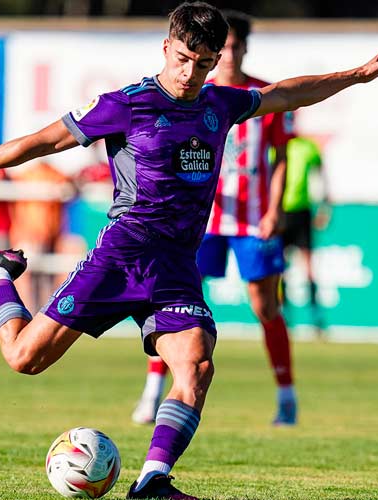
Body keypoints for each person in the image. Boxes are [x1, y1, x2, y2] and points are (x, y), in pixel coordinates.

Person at [0, 2, 378, 498]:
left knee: (197, 363)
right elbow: (44, 142)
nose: (190, 72)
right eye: (183, 58)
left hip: (177, 266)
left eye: (203, 63)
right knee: (24, 358)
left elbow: (286, 94)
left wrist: (358, 74)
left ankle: (153, 479)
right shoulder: (125, 104)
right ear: (166, 47)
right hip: (121, 257)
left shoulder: (218, 105)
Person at [131, 9, 299, 427]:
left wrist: (275, 209)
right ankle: (153, 393)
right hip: (200, 223)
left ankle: (286, 395)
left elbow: (281, 157)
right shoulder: (190, 95)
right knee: (174, 305)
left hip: (252, 218)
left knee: (265, 306)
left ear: (243, 49)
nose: (226, 57)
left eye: (233, 48)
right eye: (219, 50)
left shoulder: (260, 96)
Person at [282, 135, 331, 339]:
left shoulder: (308, 147)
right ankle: (284, 318)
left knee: (308, 267)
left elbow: (320, 177)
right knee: (279, 269)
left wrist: (324, 206)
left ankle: (315, 317)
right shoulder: (276, 145)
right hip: (280, 212)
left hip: (301, 212)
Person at [8, 161, 74, 309]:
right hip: (31, 232)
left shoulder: (52, 173)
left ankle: (47, 309)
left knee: (48, 273)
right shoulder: (26, 175)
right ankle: (38, 308)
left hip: (49, 231)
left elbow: (69, 187)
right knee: (34, 273)